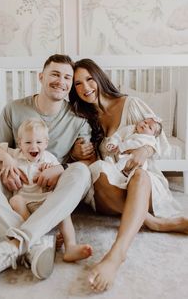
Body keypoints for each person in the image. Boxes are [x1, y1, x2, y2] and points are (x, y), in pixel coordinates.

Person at [0, 54, 95, 289]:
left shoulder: (78, 119)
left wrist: (60, 168)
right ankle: (34, 243)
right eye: (55, 74)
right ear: (41, 76)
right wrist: (6, 161)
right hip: (17, 184)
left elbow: (87, 162)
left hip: (50, 190)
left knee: (82, 174)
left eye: (67, 77)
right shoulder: (14, 108)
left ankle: (12, 247)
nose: (61, 81)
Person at [69, 58, 188, 293]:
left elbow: (158, 135)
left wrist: (144, 149)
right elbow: (75, 157)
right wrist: (75, 151)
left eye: (89, 79)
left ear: (99, 78)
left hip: (139, 183)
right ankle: (155, 223)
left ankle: (116, 254)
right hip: (110, 189)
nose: (85, 88)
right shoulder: (83, 118)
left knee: (140, 176)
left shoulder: (130, 104)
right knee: (98, 171)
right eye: (78, 84)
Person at [0, 117, 93, 268]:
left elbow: (61, 184)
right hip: (24, 203)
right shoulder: (16, 155)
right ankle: (38, 239)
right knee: (15, 201)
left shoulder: (49, 159)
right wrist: (7, 159)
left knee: (61, 205)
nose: (33, 147)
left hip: (45, 202)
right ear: (19, 143)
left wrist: (52, 173)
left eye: (38, 142)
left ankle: (70, 246)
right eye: (28, 142)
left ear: (46, 143)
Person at [92, 116, 163, 187]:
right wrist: (112, 143)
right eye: (145, 122)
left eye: (150, 127)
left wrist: (121, 147)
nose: (145, 125)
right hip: (121, 155)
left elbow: (135, 144)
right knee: (121, 160)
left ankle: (118, 170)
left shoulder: (147, 139)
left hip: (136, 161)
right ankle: (115, 169)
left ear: (153, 135)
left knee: (133, 165)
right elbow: (118, 136)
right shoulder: (130, 128)